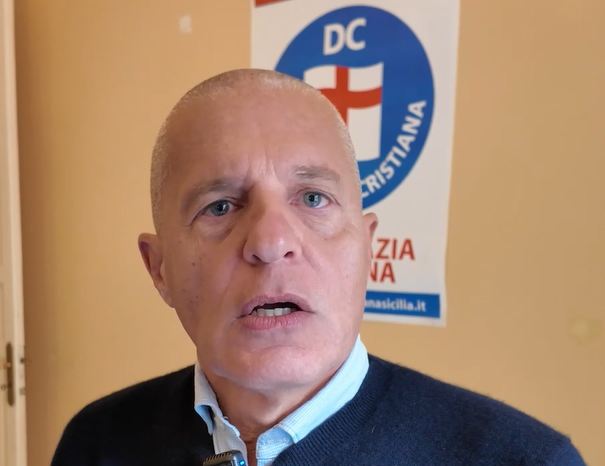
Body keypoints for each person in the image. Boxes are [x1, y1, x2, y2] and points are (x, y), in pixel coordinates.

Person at [51, 69, 586, 466]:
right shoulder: (95, 443)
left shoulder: (525, 460)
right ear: (159, 269)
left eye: (312, 198)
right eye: (220, 206)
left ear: (369, 249)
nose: (271, 242)